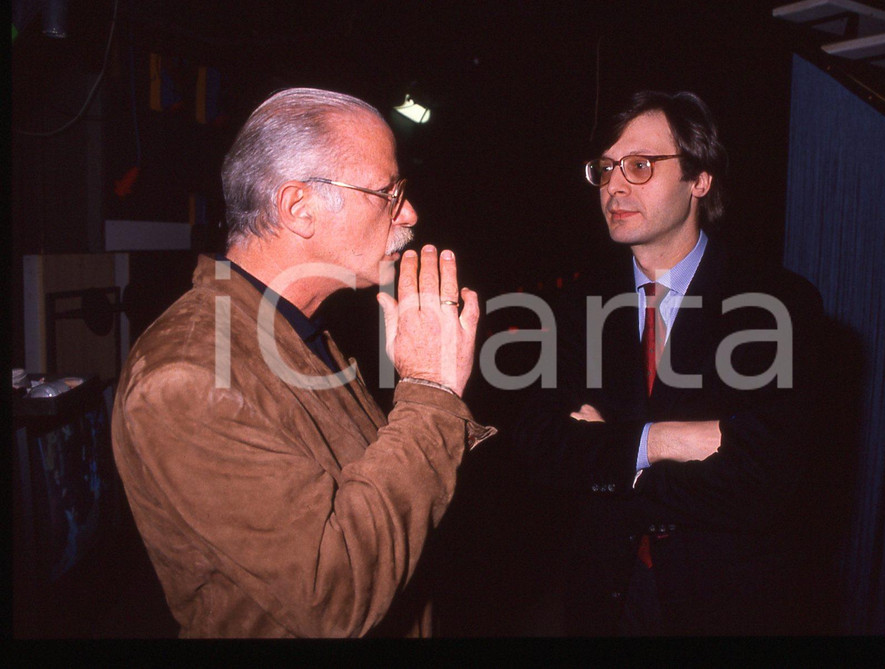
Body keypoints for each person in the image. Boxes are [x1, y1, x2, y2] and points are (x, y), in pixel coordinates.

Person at [111, 88, 494, 638]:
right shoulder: (187, 378)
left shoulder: (289, 332)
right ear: (298, 208)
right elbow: (336, 594)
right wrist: (430, 389)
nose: (409, 212)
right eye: (388, 191)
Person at [514, 90, 827, 635]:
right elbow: (541, 448)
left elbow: (768, 477)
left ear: (699, 180)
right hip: (604, 596)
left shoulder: (776, 303)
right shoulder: (573, 306)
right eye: (605, 168)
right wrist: (665, 441)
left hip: (727, 603)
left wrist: (617, 460)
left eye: (639, 165)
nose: (614, 185)